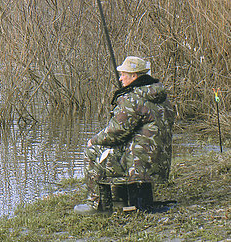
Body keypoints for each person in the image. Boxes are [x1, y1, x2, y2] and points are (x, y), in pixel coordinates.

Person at [74, 56, 176, 214]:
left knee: (93, 151)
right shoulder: (160, 95)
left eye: (123, 74)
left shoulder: (132, 98)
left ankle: (98, 205)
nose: (120, 78)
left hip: (139, 161)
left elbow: (115, 132)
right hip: (157, 159)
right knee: (117, 148)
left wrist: (93, 140)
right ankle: (121, 199)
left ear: (134, 76)